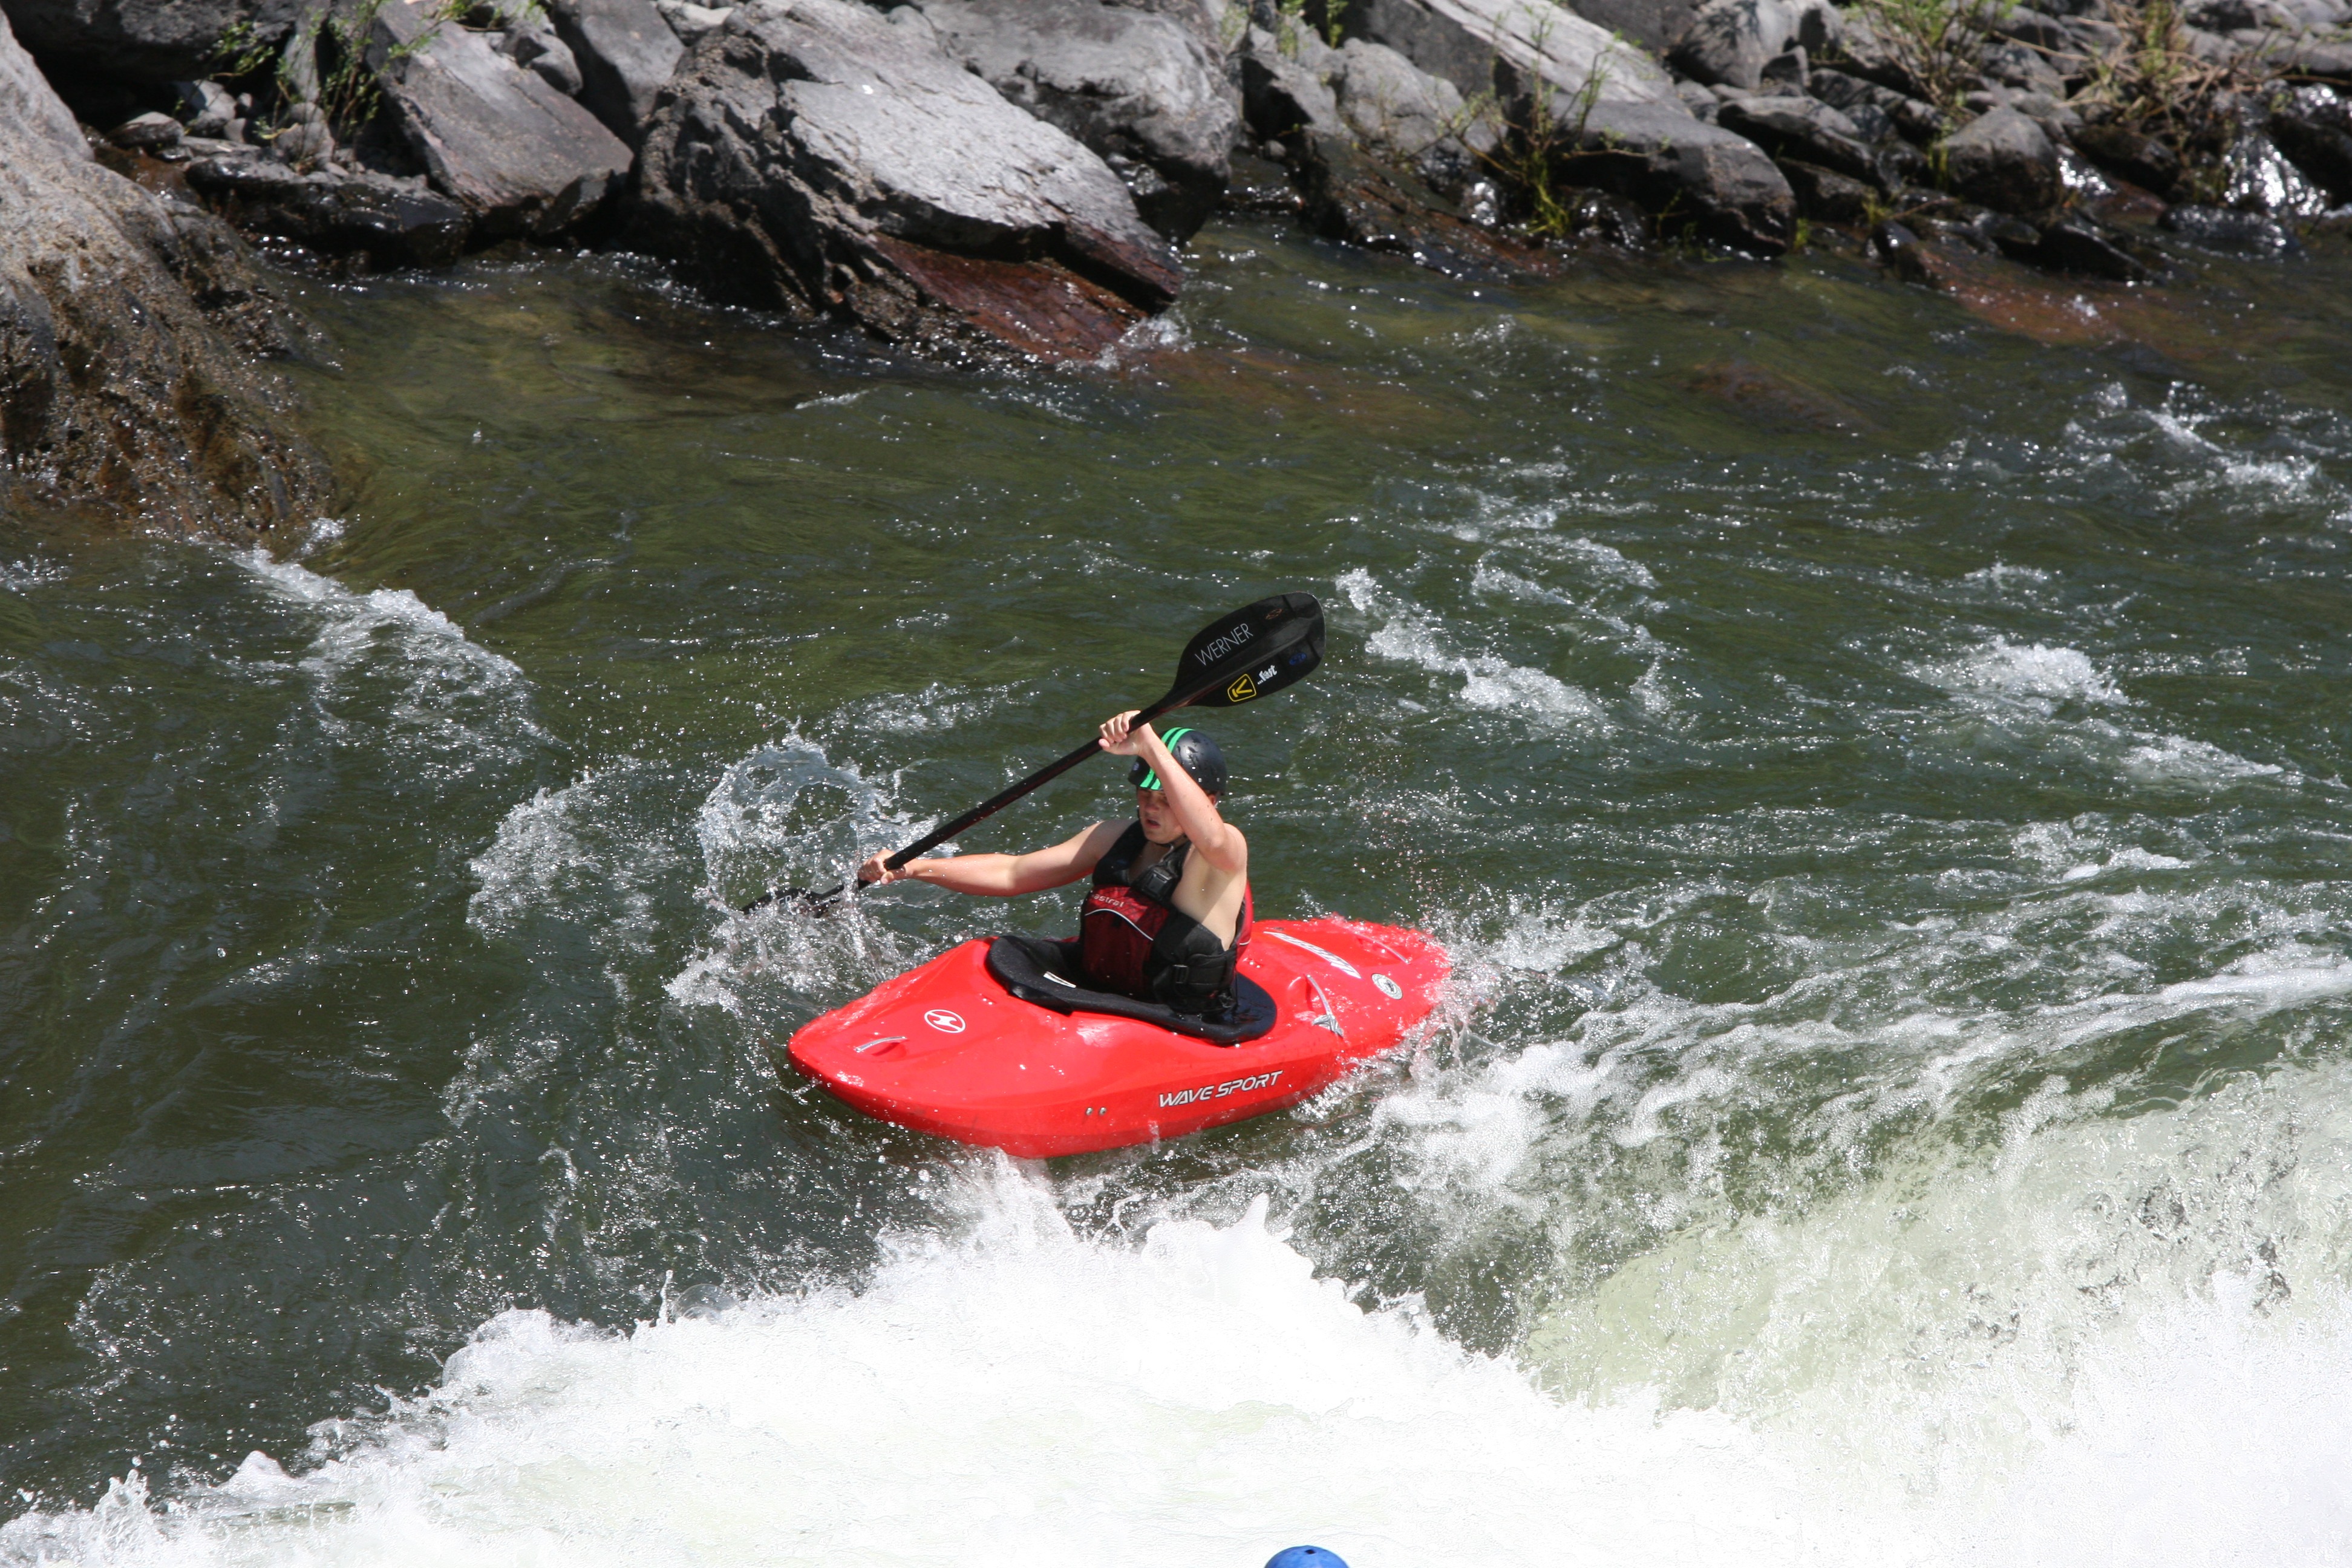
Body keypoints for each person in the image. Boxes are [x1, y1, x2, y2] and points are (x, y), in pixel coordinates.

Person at [856, 711, 1252, 1017]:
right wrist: (916, 867)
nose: (1152, 806)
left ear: (1210, 801)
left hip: (1179, 1015)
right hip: (1101, 991)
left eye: (1166, 797)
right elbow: (1013, 872)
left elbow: (1213, 836)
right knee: (1004, 954)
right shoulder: (1114, 837)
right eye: (1146, 794)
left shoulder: (1220, 854)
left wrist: (1150, 746)